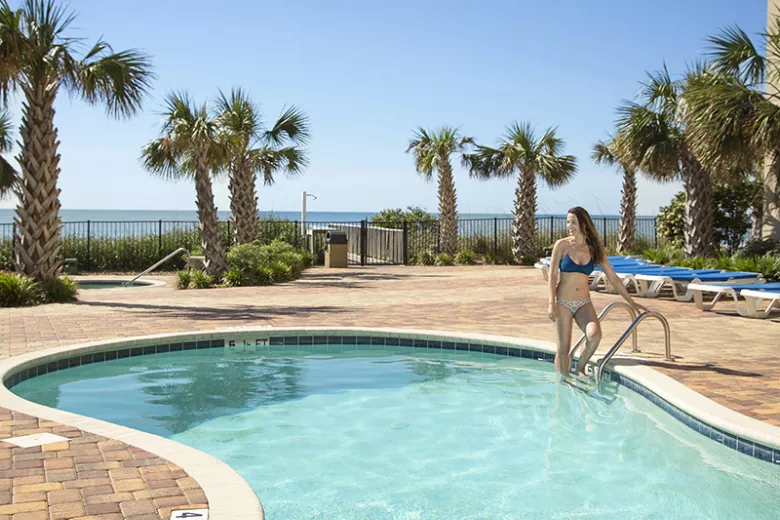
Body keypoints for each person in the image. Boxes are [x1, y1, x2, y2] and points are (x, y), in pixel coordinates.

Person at [547, 207, 648, 377]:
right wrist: (551, 303)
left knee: (594, 336)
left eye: (573, 222)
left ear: (583, 224)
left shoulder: (594, 248)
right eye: (568, 222)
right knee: (563, 349)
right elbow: (552, 276)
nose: (569, 226)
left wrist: (631, 302)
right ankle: (563, 385)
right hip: (563, 302)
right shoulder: (562, 245)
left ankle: (580, 368)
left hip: (583, 303)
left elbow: (613, 278)